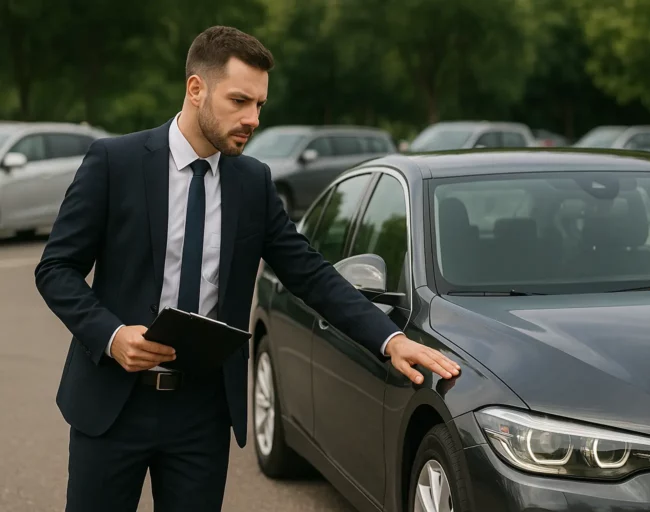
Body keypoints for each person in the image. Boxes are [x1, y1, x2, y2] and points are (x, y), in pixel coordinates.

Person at [34, 25, 460, 512]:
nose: (253, 118)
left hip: (201, 413)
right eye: (239, 101)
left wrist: (390, 339)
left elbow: (309, 272)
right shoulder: (115, 162)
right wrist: (111, 336)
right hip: (111, 401)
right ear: (196, 89)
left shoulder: (253, 182)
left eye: (259, 104)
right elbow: (56, 269)